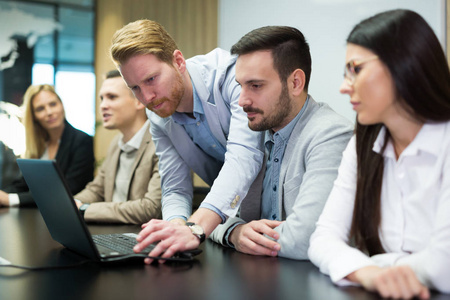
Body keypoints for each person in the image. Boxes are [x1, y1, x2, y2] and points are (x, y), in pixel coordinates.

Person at [308, 9, 450, 299]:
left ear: (403, 64)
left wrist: (381, 265)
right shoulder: (364, 142)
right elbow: (322, 239)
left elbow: (444, 266)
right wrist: (371, 274)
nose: (344, 86)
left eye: (356, 69)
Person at [110, 19, 264, 262]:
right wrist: (174, 228)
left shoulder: (232, 77)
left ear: (178, 61)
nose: (146, 97)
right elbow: (175, 186)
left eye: (151, 79)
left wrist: (194, 228)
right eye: (135, 88)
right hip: (233, 227)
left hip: (277, 210)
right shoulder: (157, 113)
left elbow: (243, 158)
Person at [209, 26, 353, 259]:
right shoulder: (251, 131)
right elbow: (214, 213)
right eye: (240, 85)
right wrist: (235, 231)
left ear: (295, 82)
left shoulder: (332, 134)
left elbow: (305, 238)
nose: (242, 100)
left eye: (255, 86)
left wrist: (238, 231)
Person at [74, 70, 162, 224]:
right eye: (102, 98)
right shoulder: (116, 143)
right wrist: (73, 203)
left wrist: (84, 209)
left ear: (139, 101)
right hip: (110, 232)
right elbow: (96, 189)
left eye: (112, 97)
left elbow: (151, 209)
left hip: (141, 238)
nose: (103, 106)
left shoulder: (161, 144)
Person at [0, 84, 94, 207]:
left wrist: (11, 199)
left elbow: (68, 190)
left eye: (53, 104)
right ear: (34, 117)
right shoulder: (39, 144)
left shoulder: (82, 141)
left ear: (61, 105)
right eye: (40, 109)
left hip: (65, 214)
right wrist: (3, 195)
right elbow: (23, 184)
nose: (49, 112)